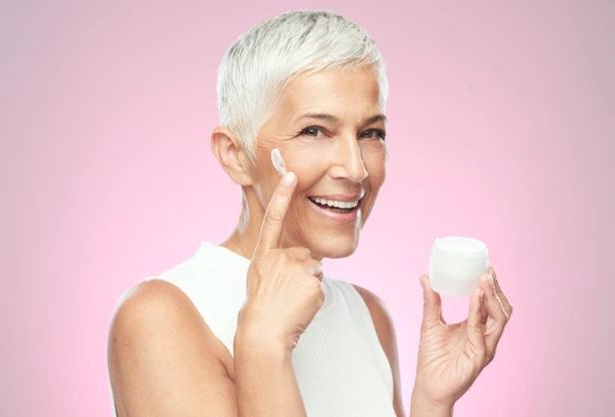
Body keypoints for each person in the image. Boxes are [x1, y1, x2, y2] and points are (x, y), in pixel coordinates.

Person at [107, 10, 513, 417]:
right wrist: (262, 345)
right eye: (314, 131)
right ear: (236, 156)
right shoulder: (159, 317)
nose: (355, 169)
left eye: (370, 133)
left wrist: (432, 402)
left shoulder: (369, 317)